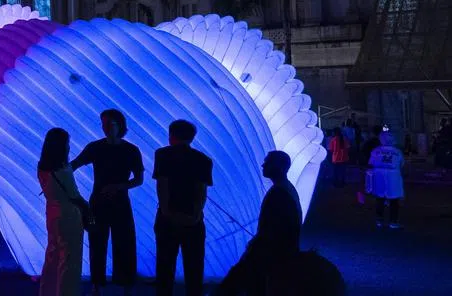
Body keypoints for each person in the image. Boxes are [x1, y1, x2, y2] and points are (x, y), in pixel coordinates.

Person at [70, 108, 144, 295]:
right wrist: (58, 176)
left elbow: (139, 179)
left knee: (125, 243)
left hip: (120, 204)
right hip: (98, 204)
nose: (105, 128)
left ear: (120, 125)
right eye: (103, 124)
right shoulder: (95, 147)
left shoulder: (131, 150)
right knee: (97, 242)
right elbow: (75, 164)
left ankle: (125, 285)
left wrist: (118, 187)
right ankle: (96, 285)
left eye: (109, 124)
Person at [217, 151, 302, 295]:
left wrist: (255, 245)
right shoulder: (285, 188)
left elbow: (274, 228)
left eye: (267, 162)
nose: (263, 165)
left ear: (279, 166)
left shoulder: (279, 193)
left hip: (271, 253)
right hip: (277, 251)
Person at [153, 120, 213, 296]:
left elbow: (162, 186)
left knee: (165, 268)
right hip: (193, 221)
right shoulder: (203, 160)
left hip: (167, 219)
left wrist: (166, 212)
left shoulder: (163, 154)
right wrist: (195, 215)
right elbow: (201, 191)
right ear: (192, 138)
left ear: (171, 135)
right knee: (194, 268)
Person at [37, 127, 92, 296]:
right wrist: (90, 210)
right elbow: (75, 196)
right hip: (69, 216)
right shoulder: (63, 170)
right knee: (70, 261)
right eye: (67, 143)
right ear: (61, 146)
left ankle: (47, 292)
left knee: (52, 256)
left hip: (52, 214)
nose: (69, 146)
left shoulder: (43, 166)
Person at [367, 129, 404, 229]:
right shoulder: (397, 151)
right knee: (394, 200)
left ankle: (379, 220)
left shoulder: (376, 151)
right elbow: (401, 164)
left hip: (379, 175)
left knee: (380, 198)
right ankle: (393, 222)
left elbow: (370, 163)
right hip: (393, 177)